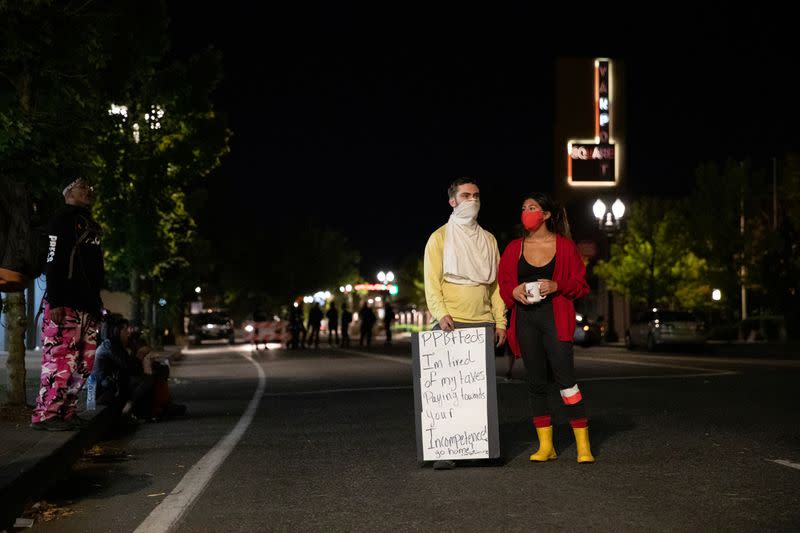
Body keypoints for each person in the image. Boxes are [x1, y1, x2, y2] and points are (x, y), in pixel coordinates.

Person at [498, 192, 594, 463]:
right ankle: (546, 446)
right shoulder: (513, 248)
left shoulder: (564, 246)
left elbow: (581, 285)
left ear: (547, 214)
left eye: (532, 207)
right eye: (524, 207)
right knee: (536, 382)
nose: (526, 211)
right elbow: (503, 285)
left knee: (566, 381)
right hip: (526, 320)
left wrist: (557, 285)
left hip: (555, 318)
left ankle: (583, 446)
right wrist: (514, 291)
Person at [423, 177, 507, 469]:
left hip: (482, 324)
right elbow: (432, 283)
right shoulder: (439, 238)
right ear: (453, 201)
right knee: (447, 393)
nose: (472, 200)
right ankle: (445, 451)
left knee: (477, 394)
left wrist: (500, 322)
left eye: (477, 195)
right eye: (466, 195)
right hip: (451, 323)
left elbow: (496, 286)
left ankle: (477, 447)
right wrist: (440, 312)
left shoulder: (488, 240)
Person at [31, 177, 104, 431]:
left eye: (89, 188)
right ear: (67, 192)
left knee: (84, 364)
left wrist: (97, 305)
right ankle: (47, 415)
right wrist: (56, 300)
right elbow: (54, 263)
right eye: (81, 187)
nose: (87, 191)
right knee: (60, 361)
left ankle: (67, 410)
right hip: (66, 305)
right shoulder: (60, 221)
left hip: (89, 305)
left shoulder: (90, 225)